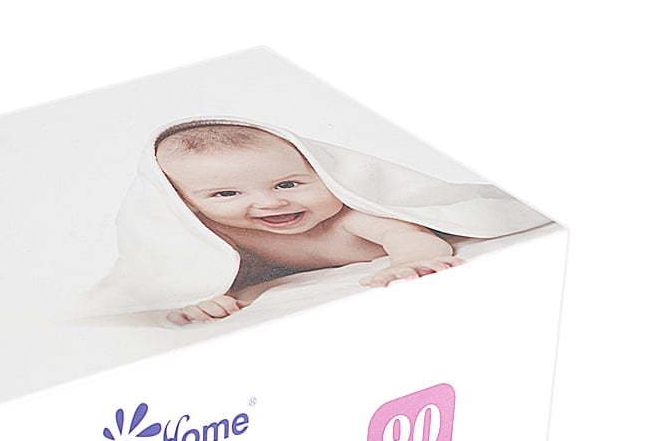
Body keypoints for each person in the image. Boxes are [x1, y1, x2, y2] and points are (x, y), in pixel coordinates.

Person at [153, 122, 461, 326]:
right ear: (185, 202)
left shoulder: (349, 217)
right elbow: (199, 271)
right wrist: (208, 299)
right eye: (227, 193)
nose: (270, 203)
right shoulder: (219, 234)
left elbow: (407, 235)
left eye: (287, 184)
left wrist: (411, 261)